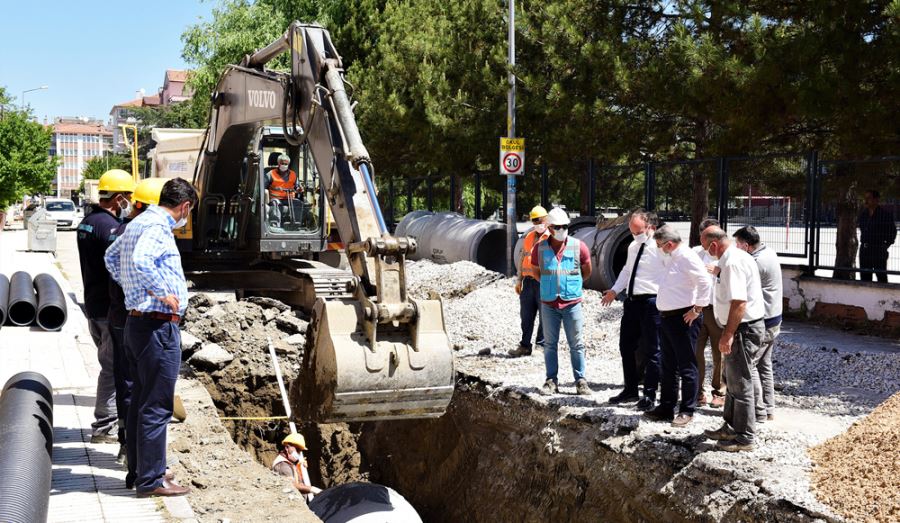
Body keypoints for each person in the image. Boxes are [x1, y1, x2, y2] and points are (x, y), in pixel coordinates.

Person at [105, 178, 198, 497]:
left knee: (140, 403)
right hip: (158, 325)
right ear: (184, 207)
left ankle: (138, 473)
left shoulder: (136, 223)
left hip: (136, 323)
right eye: (188, 213)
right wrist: (162, 293)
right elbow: (142, 261)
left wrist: (132, 288)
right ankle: (152, 480)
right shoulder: (158, 227)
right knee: (157, 406)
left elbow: (111, 258)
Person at [107, 177, 167, 472]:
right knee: (141, 391)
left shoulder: (122, 231)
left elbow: (110, 261)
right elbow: (140, 267)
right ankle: (138, 461)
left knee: (129, 385)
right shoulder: (139, 234)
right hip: (137, 320)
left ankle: (131, 455)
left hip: (121, 317)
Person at [76, 168, 135, 444]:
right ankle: (104, 426)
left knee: (108, 363)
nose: (131, 204)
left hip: (93, 304)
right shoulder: (110, 228)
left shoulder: (88, 221)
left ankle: (106, 423)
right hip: (108, 309)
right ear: (120, 197)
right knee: (112, 367)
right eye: (129, 198)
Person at [702, 227, 766, 452]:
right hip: (739, 329)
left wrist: (728, 334)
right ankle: (730, 426)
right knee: (732, 382)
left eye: (705, 247)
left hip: (742, 330)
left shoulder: (732, 263)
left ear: (713, 245)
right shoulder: (732, 258)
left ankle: (745, 437)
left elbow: (739, 303)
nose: (706, 252)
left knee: (741, 383)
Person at [643, 225, 711, 427]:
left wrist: (697, 309)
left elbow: (704, 282)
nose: (658, 248)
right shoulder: (672, 256)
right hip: (667, 317)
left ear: (669, 244)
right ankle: (666, 406)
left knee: (686, 365)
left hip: (683, 318)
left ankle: (687, 409)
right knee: (668, 365)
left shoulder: (686, 257)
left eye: (659, 245)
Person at [601, 209, 665, 410]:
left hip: (652, 302)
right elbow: (627, 270)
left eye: (638, 231)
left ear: (650, 228)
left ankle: (649, 394)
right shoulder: (632, 246)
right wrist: (614, 290)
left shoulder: (660, 247)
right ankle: (630, 389)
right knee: (626, 346)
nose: (634, 235)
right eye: (632, 231)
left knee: (653, 350)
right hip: (632, 301)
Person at [530, 207, 593, 396]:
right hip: (549, 303)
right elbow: (535, 271)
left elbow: (587, 270)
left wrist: (572, 284)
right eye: (557, 227)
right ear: (549, 228)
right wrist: (550, 284)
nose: (561, 230)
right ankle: (551, 381)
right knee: (550, 344)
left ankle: (580, 381)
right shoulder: (539, 248)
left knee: (577, 344)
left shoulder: (578, 246)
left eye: (564, 226)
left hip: (572, 302)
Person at [733, 226, 783, 423]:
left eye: (737, 244)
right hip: (774, 317)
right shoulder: (769, 252)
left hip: (764, 320)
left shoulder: (755, 262)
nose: (736, 247)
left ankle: (758, 411)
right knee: (764, 365)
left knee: (750, 365)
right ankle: (769, 409)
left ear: (746, 245)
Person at [509, 205, 550, 357]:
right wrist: (519, 280)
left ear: (546, 220)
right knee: (526, 316)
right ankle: (525, 345)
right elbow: (522, 258)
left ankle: (541, 345)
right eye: (534, 221)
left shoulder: (552, 239)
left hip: (544, 282)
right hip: (528, 282)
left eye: (539, 220)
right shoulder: (529, 237)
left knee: (545, 315)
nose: (537, 223)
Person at [693, 219, 726, 408]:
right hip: (697, 308)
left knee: (719, 352)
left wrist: (719, 272)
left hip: (717, 310)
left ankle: (719, 391)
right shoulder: (695, 253)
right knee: (695, 351)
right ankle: (697, 392)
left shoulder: (725, 256)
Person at [858, 190, 896, 283]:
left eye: (869, 198)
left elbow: (892, 232)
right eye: (865, 198)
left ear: (876, 200)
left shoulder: (885, 215)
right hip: (864, 250)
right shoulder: (863, 215)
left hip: (878, 250)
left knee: (881, 277)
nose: (866, 201)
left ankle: (884, 297)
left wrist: (885, 246)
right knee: (865, 278)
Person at [272, 433, 323, 501]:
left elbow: (297, 480)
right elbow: (291, 485)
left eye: (300, 451)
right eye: (297, 449)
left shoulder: (290, 462)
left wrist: (299, 467)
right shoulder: (283, 465)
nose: (298, 453)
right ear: (287, 448)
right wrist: (313, 489)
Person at [266, 153, 303, 226]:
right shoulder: (271, 174)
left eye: (286, 164)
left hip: (290, 199)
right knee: (275, 203)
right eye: (282, 163)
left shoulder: (293, 174)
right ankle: (275, 225)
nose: (284, 165)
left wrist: (299, 189)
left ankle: (297, 225)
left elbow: (297, 187)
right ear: (278, 164)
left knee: (298, 203)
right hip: (276, 198)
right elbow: (264, 186)